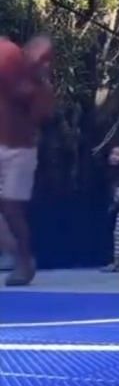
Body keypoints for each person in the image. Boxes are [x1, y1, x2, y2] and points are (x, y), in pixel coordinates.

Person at [0, 35, 56, 286]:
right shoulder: (8, 56)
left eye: (47, 59)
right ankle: (14, 252)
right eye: (39, 56)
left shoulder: (41, 89)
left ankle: (23, 258)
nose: (43, 62)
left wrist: (33, 88)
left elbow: (41, 116)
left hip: (21, 149)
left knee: (12, 208)